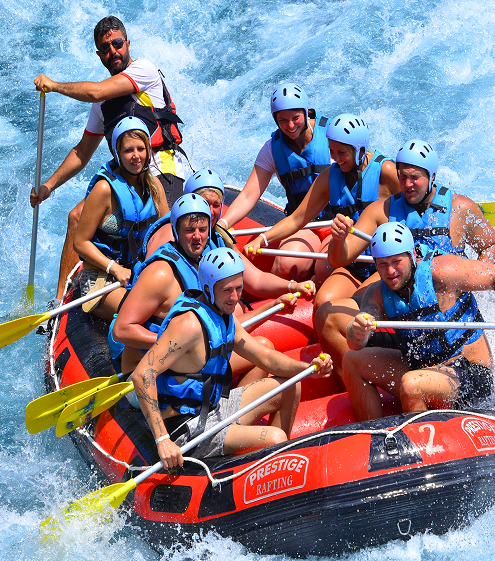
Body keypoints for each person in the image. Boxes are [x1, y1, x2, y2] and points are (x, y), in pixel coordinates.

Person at [32, 16, 186, 305]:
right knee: (76, 217)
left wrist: (54, 86)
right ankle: (61, 303)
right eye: (105, 48)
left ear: (127, 44)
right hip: (128, 179)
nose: (113, 51)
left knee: (156, 234)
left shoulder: (144, 71)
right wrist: (48, 187)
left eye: (117, 44)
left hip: (161, 170)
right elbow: (82, 152)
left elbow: (96, 90)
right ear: (99, 54)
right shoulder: (101, 106)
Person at [131, 247, 333, 467]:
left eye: (239, 288)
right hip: (186, 426)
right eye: (228, 290)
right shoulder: (188, 325)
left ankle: (270, 467)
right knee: (276, 438)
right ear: (207, 288)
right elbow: (142, 375)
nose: (235, 298)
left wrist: (309, 369)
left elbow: (265, 357)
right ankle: (262, 466)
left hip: (213, 408)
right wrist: (162, 440)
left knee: (291, 386)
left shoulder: (223, 315)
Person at [315, 138, 495, 373]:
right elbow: (339, 259)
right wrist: (339, 239)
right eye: (402, 177)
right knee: (326, 315)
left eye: (415, 177)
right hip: (400, 308)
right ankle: (356, 379)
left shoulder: (460, 209)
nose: (407, 184)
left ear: (432, 176)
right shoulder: (381, 210)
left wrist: (473, 276)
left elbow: (492, 245)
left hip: (444, 312)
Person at [339, 223, 495, 421]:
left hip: (469, 377)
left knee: (411, 384)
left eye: (396, 261)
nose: (390, 271)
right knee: (352, 360)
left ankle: (422, 445)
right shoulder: (376, 294)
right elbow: (356, 341)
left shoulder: (442, 272)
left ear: (411, 256)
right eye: (382, 264)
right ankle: (373, 434)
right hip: (423, 370)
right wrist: (357, 330)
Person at [112, 194, 299, 381]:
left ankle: (225, 408)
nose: (197, 237)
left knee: (263, 347)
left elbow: (227, 327)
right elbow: (121, 330)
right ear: (176, 231)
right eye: (189, 230)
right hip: (149, 371)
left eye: (202, 229)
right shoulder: (161, 273)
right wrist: (176, 344)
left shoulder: (205, 264)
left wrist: (273, 305)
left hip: (185, 361)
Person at [244, 113, 399, 309]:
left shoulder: (387, 172)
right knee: (322, 304)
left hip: (384, 263)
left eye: (341, 153)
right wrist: (263, 238)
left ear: (359, 149)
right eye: (331, 151)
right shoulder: (329, 177)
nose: (334, 159)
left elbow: (418, 203)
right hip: (352, 262)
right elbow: (297, 219)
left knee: (365, 305)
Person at [142, 168, 317, 313]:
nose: (210, 212)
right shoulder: (169, 234)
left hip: (199, 318)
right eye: (204, 203)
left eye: (216, 205)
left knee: (237, 309)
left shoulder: (216, 237)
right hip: (176, 323)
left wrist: (294, 286)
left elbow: (256, 280)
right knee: (237, 310)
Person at [218, 83, 331, 280]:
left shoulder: (332, 136)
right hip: (303, 223)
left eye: (296, 118)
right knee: (286, 264)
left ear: (306, 112)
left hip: (340, 221)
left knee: (326, 267)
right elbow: (248, 195)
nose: (290, 126)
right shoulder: (271, 149)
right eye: (283, 120)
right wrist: (222, 223)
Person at [72, 117, 168, 320]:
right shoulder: (104, 189)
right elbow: (80, 242)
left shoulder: (154, 186)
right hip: (101, 278)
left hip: (138, 270)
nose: (136, 156)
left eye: (141, 149)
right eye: (128, 150)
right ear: (117, 153)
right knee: (145, 315)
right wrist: (114, 268)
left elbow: (167, 231)